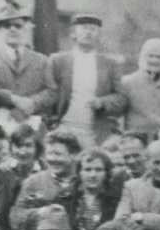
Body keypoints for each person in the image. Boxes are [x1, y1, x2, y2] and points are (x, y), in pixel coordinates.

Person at [46, 14, 127, 147]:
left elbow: (122, 98)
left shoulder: (110, 64)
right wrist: (52, 124)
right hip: (63, 127)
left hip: (95, 132)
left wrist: (102, 102)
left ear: (99, 36)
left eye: (93, 29)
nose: (88, 32)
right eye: (84, 28)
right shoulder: (57, 61)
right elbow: (49, 93)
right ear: (73, 33)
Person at [0, 4, 55, 126]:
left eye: (18, 26)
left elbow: (51, 91)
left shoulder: (42, 60)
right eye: (7, 26)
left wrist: (33, 103)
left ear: (26, 29)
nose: (13, 29)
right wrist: (14, 103)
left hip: (31, 123)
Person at [9, 129, 82, 230]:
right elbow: (15, 219)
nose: (52, 159)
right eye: (49, 154)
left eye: (58, 154)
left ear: (73, 154)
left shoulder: (84, 179)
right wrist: (40, 213)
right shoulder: (33, 182)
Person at [70, 148, 121, 230]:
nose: (93, 175)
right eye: (87, 170)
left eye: (98, 170)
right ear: (79, 172)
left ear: (106, 173)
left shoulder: (116, 199)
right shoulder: (66, 197)